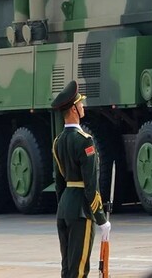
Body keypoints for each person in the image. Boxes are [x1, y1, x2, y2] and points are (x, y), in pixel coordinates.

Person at [52, 80, 111, 278]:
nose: (83, 106)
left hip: (64, 209)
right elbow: (90, 185)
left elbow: (59, 183)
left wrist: (63, 207)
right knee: (78, 270)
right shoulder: (85, 141)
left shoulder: (58, 142)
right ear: (73, 110)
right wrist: (101, 219)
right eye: (80, 103)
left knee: (67, 269)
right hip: (81, 211)